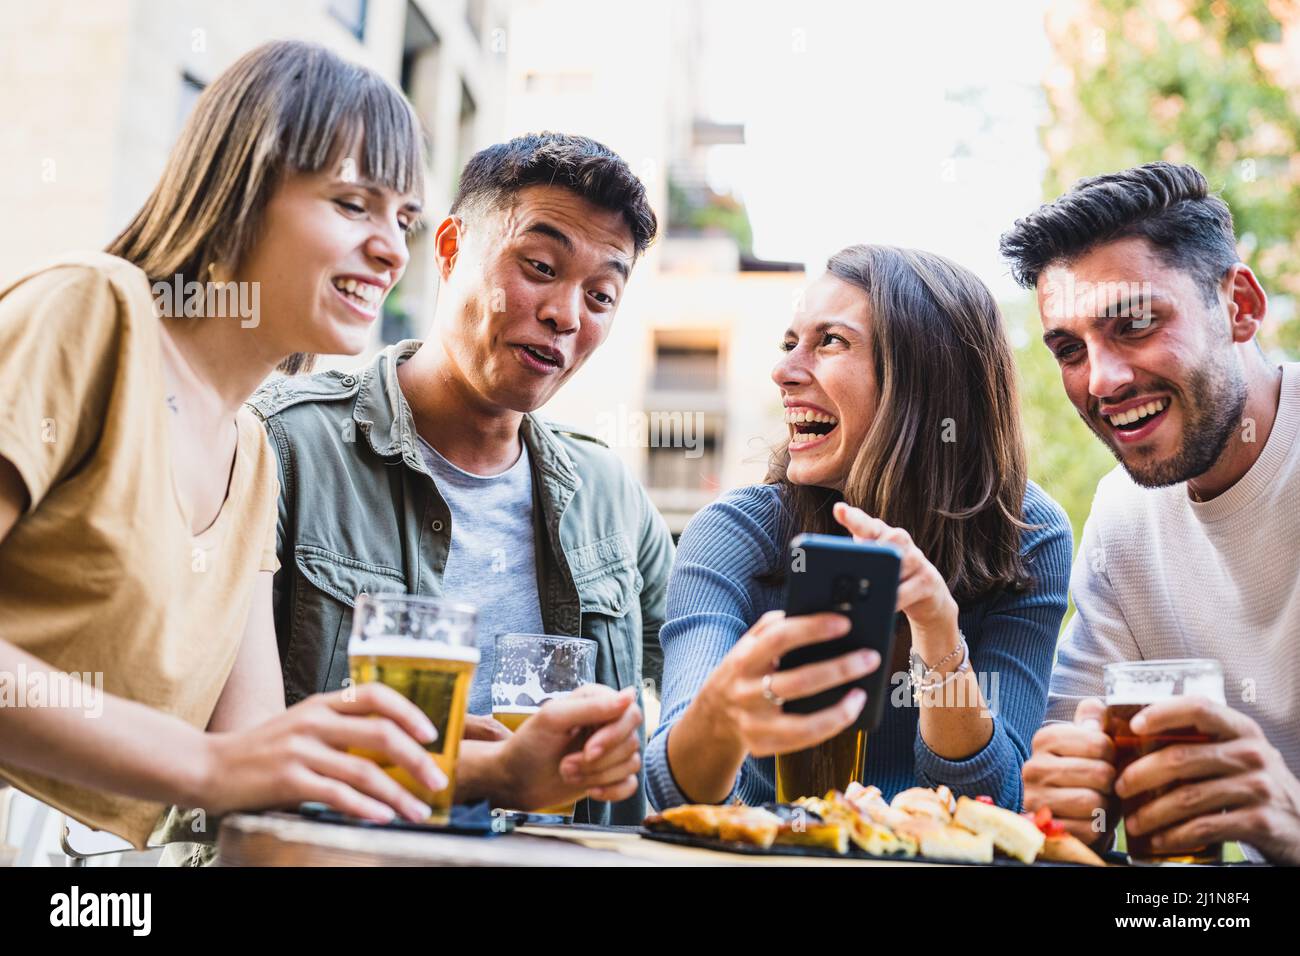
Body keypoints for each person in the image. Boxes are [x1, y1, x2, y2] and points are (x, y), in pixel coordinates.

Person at [0, 40, 450, 848]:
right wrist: (204, 768)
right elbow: (213, 768)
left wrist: (459, 769)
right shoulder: (91, 314)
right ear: (239, 191)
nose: (392, 250)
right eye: (353, 203)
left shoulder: (253, 454)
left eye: (404, 218)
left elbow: (247, 763)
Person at [245, 132, 672, 827]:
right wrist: (486, 774)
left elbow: (691, 729)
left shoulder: (609, 496)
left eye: (600, 295)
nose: (566, 314)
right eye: (539, 266)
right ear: (448, 248)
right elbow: (223, 748)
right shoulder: (285, 445)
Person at [645, 244, 1072, 811]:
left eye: (830, 342)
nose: (784, 371)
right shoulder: (736, 532)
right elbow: (675, 789)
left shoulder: (1026, 534)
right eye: (790, 343)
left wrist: (939, 634)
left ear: (925, 377)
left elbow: (997, 800)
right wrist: (722, 714)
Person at [1002, 162, 1300, 864]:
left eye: (1134, 324)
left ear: (1241, 308)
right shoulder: (1123, 515)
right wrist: (1066, 801)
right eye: (1071, 350)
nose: (1101, 381)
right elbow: (1067, 765)